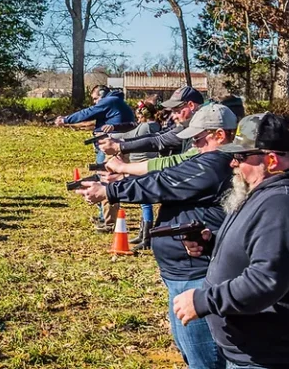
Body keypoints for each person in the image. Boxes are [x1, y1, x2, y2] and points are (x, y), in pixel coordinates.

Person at [77, 104, 238, 369]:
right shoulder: (207, 159)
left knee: (205, 360)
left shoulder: (215, 162)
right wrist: (120, 178)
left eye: (199, 138)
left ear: (220, 135)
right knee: (192, 353)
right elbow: (166, 173)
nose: (194, 144)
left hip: (196, 274)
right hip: (182, 272)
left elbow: (163, 182)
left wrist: (111, 191)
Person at [173, 113, 289, 369]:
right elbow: (262, 252)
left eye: (240, 156)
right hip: (256, 351)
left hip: (279, 358)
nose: (232, 164)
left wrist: (204, 301)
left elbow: (266, 281)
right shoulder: (261, 191)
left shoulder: (284, 204)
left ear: (271, 160)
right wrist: (213, 245)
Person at [55, 85, 135, 232]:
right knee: (102, 179)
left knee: (108, 181)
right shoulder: (116, 102)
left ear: (103, 94)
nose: (95, 103)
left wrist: (66, 119)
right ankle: (104, 216)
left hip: (112, 147)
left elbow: (88, 113)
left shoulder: (109, 101)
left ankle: (110, 223)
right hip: (110, 146)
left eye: (96, 99)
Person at [107, 97, 164, 249]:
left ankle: (146, 239)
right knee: (143, 202)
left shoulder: (145, 127)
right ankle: (142, 234)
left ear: (144, 114)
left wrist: (111, 137)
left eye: (138, 114)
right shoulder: (153, 125)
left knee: (145, 203)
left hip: (142, 165)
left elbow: (129, 136)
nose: (137, 117)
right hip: (142, 164)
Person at [98, 86, 205, 157]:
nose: (173, 116)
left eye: (177, 111)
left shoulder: (200, 127)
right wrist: (120, 142)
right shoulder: (185, 125)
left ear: (191, 105)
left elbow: (157, 141)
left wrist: (120, 146)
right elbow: (157, 136)